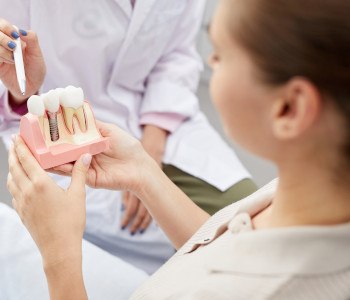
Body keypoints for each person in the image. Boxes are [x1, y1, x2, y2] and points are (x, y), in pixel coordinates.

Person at [8, 0, 350, 298]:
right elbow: (230, 249)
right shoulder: (293, 201)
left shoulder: (223, 292)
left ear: (289, 108)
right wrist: (143, 174)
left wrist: (60, 257)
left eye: (220, 55)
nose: (210, 61)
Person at [0, 0, 256, 274]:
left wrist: (152, 147)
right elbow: (12, 72)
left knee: (246, 222)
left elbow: (177, 54)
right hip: (57, 131)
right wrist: (23, 92)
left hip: (163, 124)